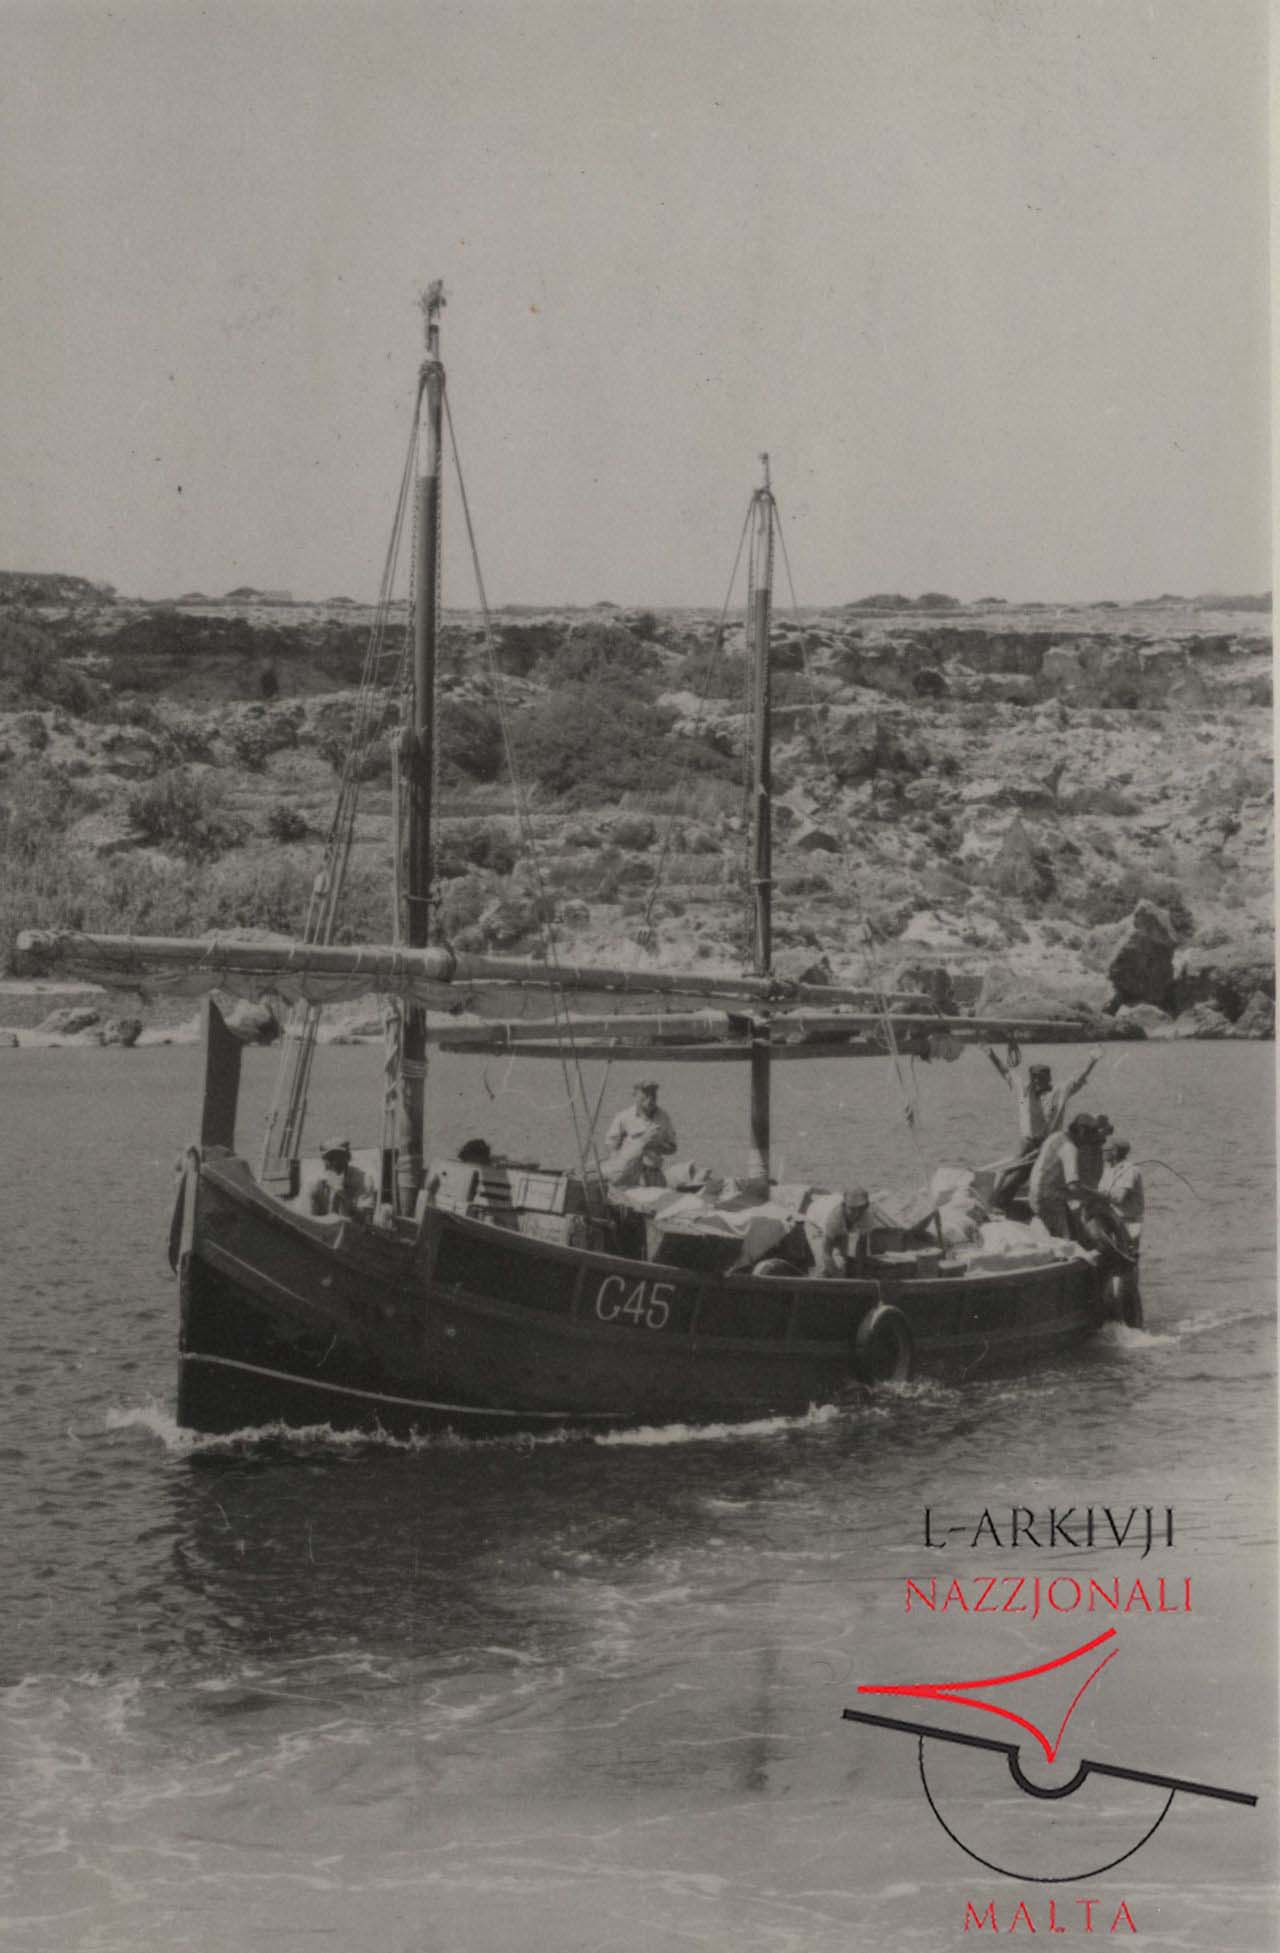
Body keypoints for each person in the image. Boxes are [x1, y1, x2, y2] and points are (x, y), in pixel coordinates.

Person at [987, 1046, 1101, 1210]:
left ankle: (1057, 1203)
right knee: (1016, 1173)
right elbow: (1006, 1072)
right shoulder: (1023, 1089)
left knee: (1051, 1174)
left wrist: (1092, 1061)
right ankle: (998, 1204)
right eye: (1034, 1078)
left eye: (1041, 1079)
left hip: (1049, 1144)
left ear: (1048, 1079)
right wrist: (991, 1055)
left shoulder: (1060, 1091)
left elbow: (1079, 1078)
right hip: (1028, 1142)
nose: (1037, 1082)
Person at [601, 1081, 678, 1188]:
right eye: (646, 1094)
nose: (650, 1098)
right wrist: (621, 1163)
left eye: (653, 1094)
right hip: (629, 1177)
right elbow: (611, 1146)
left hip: (654, 1174)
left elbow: (672, 1147)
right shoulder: (624, 1117)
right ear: (635, 1095)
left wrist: (658, 1145)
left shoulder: (664, 1117)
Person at [1027, 1114, 1090, 1239]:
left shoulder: (1056, 1136)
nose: (1088, 1142)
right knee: (1065, 1240)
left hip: (1034, 1192)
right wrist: (1094, 1195)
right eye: (1089, 1136)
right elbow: (1073, 1186)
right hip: (1048, 1199)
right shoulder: (1070, 1148)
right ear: (1082, 1132)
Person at [307, 1136, 377, 1223]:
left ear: (347, 1158)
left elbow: (364, 1220)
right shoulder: (315, 1183)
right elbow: (309, 1220)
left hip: (351, 1228)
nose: (334, 1162)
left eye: (339, 1157)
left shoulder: (363, 1180)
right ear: (324, 1160)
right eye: (329, 1158)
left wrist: (342, 1193)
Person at [1099, 1138, 1145, 1245]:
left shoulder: (1130, 1170)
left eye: (1105, 1150)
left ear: (1114, 1151)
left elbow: (1119, 1198)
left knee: (1125, 1250)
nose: (1102, 1152)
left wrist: (1096, 1194)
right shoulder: (1108, 1170)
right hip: (1111, 1222)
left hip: (1127, 1224)